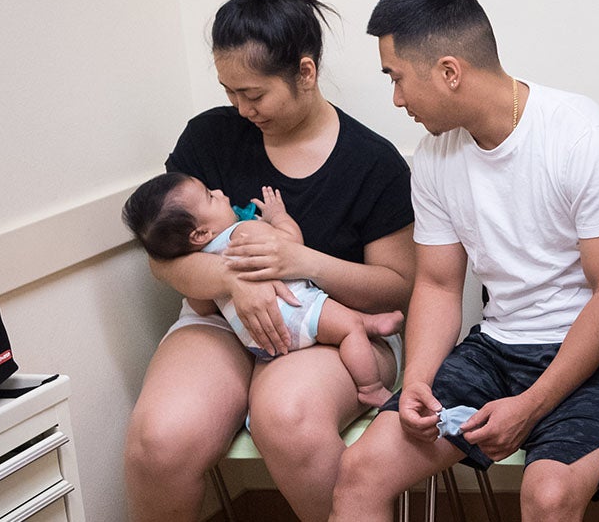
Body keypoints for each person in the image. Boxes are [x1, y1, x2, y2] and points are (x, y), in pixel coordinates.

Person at [331, 0, 599, 522]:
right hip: (499, 346)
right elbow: (438, 284)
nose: (396, 99)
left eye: (398, 79)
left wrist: (532, 407)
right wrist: (416, 380)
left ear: (449, 72)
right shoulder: (434, 157)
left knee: (547, 497)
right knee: (360, 471)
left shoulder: (585, 138)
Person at [122, 0, 415, 520]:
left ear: (305, 73)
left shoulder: (371, 163)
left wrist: (298, 259)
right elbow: (166, 262)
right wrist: (235, 279)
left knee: (287, 419)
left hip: (335, 328)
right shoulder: (208, 138)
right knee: (160, 441)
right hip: (219, 322)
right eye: (229, 91)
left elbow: (395, 289)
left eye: (254, 93)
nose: (240, 108)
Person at [122, 173, 403, 406]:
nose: (220, 192)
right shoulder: (241, 234)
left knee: (342, 322)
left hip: (258, 340)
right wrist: (277, 217)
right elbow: (291, 245)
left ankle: (371, 323)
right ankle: (371, 387)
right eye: (210, 196)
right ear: (200, 234)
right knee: (348, 329)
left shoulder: (205, 261)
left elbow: (203, 306)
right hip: (294, 315)